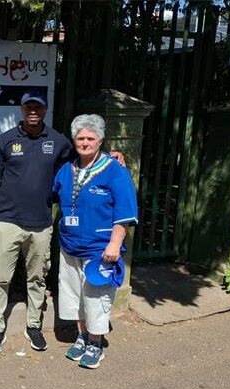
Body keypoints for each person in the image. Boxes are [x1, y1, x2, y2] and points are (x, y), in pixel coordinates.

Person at [0, 90, 75, 356]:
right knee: (0, 278)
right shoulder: (4, 141)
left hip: (41, 224)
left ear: (45, 110)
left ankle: (34, 326)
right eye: (28, 107)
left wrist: (111, 156)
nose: (33, 111)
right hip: (7, 222)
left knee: (37, 278)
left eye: (38, 107)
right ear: (22, 110)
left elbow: (83, 159)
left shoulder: (58, 141)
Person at [52, 114, 138, 369]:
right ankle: (81, 336)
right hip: (70, 246)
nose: (85, 142)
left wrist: (115, 244)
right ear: (74, 140)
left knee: (96, 297)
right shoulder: (66, 170)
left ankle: (96, 343)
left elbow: (124, 212)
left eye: (91, 138)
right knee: (74, 295)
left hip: (99, 249)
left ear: (100, 140)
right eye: (80, 138)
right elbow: (55, 196)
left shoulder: (115, 170)